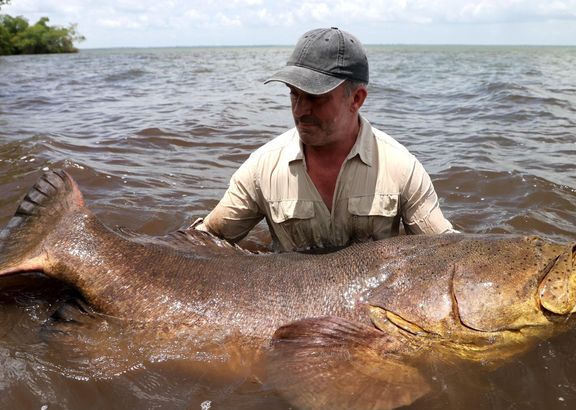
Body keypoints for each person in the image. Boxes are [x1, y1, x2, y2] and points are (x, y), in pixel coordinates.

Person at [195, 27, 456, 252]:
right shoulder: (261, 168)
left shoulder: (402, 168)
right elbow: (204, 241)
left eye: (315, 97)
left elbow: (445, 252)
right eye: (294, 94)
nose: (300, 110)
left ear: (356, 99)